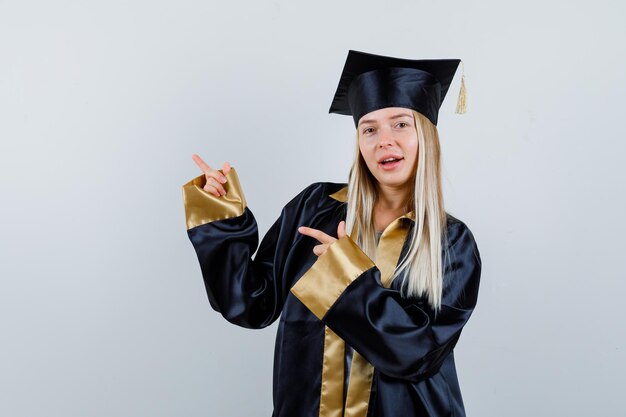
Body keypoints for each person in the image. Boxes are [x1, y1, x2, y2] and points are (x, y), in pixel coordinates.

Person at [182, 50, 482, 417]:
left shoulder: (452, 244)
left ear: (427, 136)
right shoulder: (315, 206)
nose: (384, 140)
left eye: (401, 124)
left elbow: (415, 355)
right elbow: (250, 303)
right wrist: (223, 217)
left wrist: (347, 280)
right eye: (369, 129)